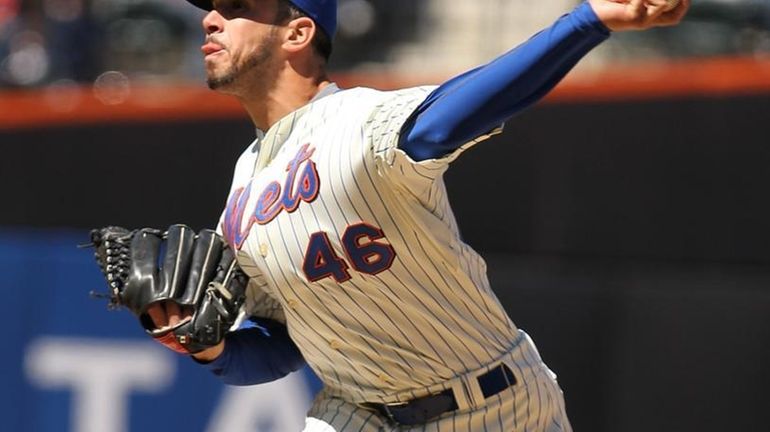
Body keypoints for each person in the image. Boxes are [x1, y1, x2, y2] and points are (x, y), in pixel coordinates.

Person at [146, 0, 690, 430]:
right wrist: (210, 346)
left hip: (492, 409)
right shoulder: (244, 186)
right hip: (354, 412)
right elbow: (282, 343)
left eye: (238, 6)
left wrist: (587, 22)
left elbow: (456, 113)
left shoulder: (357, 121)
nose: (210, 20)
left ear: (297, 34)